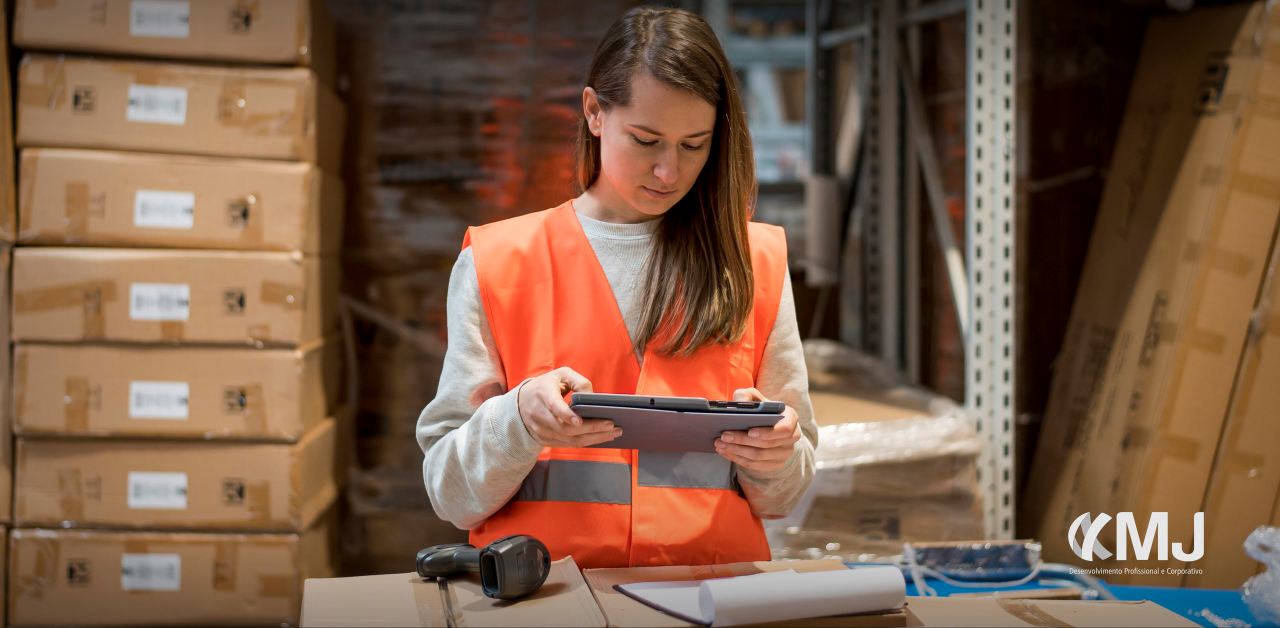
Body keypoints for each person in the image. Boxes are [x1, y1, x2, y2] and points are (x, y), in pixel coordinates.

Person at [417, 5, 816, 570]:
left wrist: (772, 456)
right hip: (550, 602)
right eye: (646, 140)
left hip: (712, 599)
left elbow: (785, 496)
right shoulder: (499, 262)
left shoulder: (755, 263)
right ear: (594, 112)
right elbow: (450, 496)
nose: (668, 173)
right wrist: (518, 423)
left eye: (694, 144)